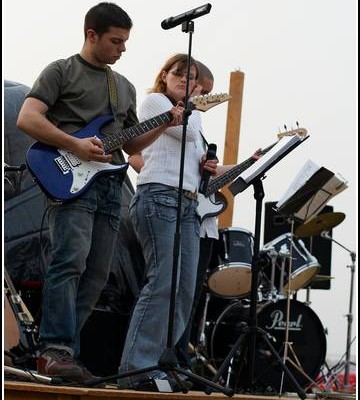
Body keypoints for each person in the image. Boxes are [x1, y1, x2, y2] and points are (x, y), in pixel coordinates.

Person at [16, 2, 184, 384]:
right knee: (69, 261)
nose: (122, 49)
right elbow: (27, 118)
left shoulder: (121, 85)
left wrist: (166, 122)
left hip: (109, 185)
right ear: (91, 34)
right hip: (69, 179)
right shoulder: (61, 71)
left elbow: (132, 144)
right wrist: (73, 145)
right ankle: (54, 349)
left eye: (125, 42)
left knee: (95, 274)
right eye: (116, 41)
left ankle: (65, 355)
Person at [117, 54, 218, 392]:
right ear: (164, 75)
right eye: (179, 74)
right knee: (163, 283)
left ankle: (161, 362)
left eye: (192, 78)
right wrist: (194, 106)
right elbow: (186, 134)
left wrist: (205, 167)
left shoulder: (189, 114)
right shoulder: (156, 102)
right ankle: (135, 368)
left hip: (188, 205)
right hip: (159, 197)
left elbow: (189, 146)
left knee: (184, 291)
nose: (184, 81)